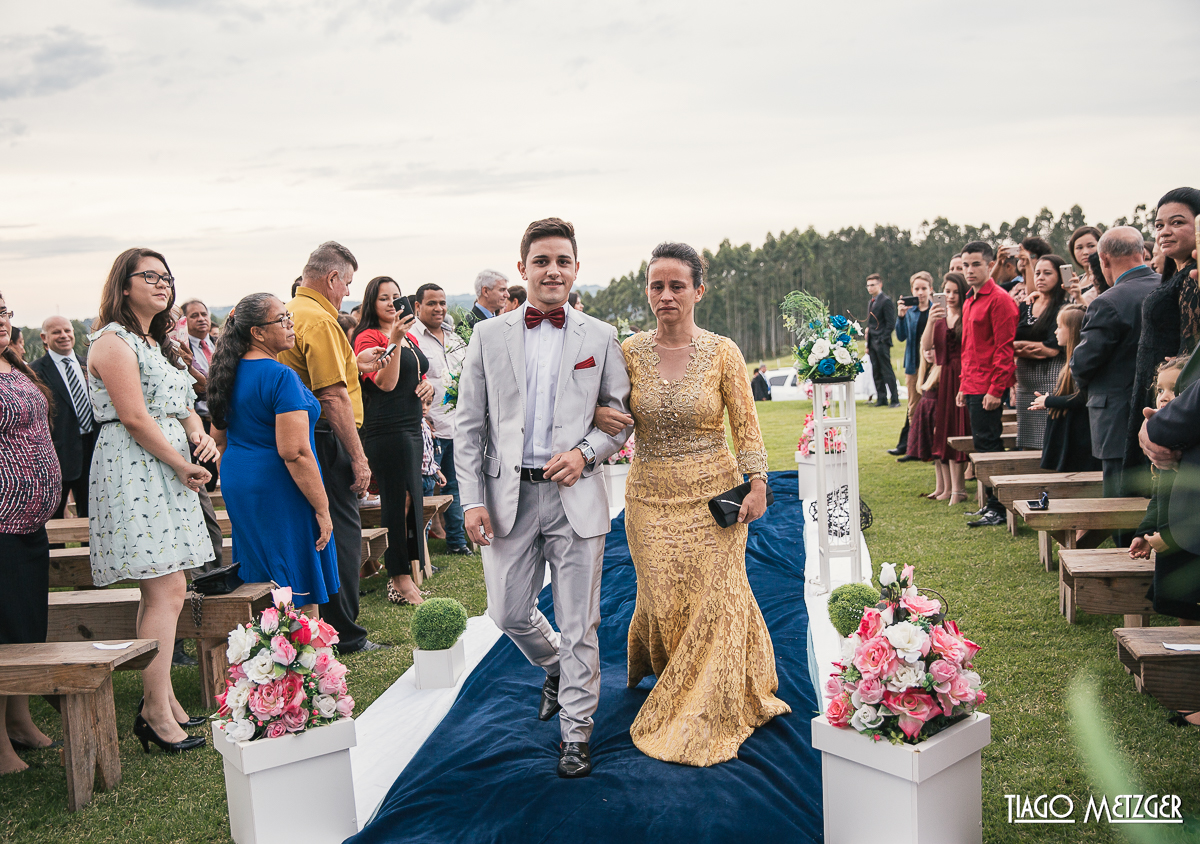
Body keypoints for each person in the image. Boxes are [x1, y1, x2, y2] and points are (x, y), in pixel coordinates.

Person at [589, 240, 791, 767]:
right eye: (657, 285)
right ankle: (677, 674)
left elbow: (745, 426)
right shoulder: (627, 352)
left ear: (699, 290)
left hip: (715, 501)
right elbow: (600, 406)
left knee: (717, 599)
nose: (666, 295)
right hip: (649, 501)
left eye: (677, 285)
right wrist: (598, 414)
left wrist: (759, 482)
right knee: (667, 600)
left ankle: (712, 700)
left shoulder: (723, 351)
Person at [454, 217, 632, 778]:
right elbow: (469, 426)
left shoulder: (600, 337)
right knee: (506, 610)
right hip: (507, 498)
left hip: (576, 495)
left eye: (562, 261)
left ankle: (575, 733)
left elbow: (619, 422)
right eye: (541, 261)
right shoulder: (487, 335)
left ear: (576, 269)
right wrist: (470, 500)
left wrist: (585, 452)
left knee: (580, 621)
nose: (552, 270)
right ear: (522, 268)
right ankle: (552, 665)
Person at [87, 248, 214, 753]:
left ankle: (163, 701)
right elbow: (136, 418)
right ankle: (156, 712)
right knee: (166, 591)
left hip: (164, 466)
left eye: (167, 277)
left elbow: (181, 403)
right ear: (123, 285)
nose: (163, 284)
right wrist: (182, 463)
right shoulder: (113, 342)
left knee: (169, 588)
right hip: (138, 468)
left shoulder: (152, 341)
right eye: (151, 276)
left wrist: (199, 433)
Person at [279, 241, 386, 654]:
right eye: (347, 285)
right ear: (332, 278)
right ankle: (345, 632)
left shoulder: (293, 313)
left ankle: (322, 626)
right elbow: (332, 396)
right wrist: (359, 458)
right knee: (341, 531)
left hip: (302, 435)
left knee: (317, 530)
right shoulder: (321, 322)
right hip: (325, 437)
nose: (347, 294)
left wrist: (355, 365)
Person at [206, 293, 338, 618]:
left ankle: (269, 653)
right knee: (295, 573)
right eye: (281, 319)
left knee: (262, 573)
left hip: (240, 479)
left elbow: (218, 439)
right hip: (279, 482)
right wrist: (322, 509)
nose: (290, 323)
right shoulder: (280, 376)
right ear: (258, 333)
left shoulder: (227, 372)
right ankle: (303, 659)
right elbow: (294, 452)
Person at [0, 293, 62, 775]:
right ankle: (0, 744)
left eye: (3, 311)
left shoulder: (13, 365)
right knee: (3, 631)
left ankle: (19, 719)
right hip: (1, 521)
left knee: (26, 626)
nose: (1, 320)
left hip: (32, 519)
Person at [1071, 226, 1161, 535]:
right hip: (1164, 410)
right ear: (1142, 252)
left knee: (1120, 499)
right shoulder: (1166, 288)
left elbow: (1083, 363)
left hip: (1115, 415)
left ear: (1104, 259)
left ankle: (1124, 559)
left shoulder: (1108, 302)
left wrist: (1084, 385)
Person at [352, 276, 434, 606]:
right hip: (387, 430)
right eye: (383, 297)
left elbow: (418, 373)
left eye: (396, 296)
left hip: (412, 426)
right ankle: (397, 579)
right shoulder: (366, 337)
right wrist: (395, 341)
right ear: (371, 303)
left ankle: (408, 574)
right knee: (396, 502)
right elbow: (385, 383)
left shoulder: (409, 336)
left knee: (412, 500)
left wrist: (427, 388)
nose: (391, 303)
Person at [1125, 189, 1200, 493]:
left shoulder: (1191, 281)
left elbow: (1192, 349)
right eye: (1158, 225)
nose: (1164, 232)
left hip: (1178, 395)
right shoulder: (1175, 277)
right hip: (1155, 387)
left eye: (1177, 222)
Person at [1136, 354, 1200, 639]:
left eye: (1175, 390)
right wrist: (1146, 530)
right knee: (1182, 608)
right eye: (1160, 390)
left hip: (1186, 545)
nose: (1164, 397)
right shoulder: (1169, 447)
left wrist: (1169, 539)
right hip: (1167, 541)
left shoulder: (1189, 450)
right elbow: (1158, 497)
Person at [956, 242, 1018, 526]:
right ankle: (992, 503)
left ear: (991, 264)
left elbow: (1005, 349)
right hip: (972, 383)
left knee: (990, 446)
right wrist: (962, 385)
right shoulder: (970, 299)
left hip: (988, 386)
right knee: (982, 446)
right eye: (965, 264)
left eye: (976, 264)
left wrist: (996, 389)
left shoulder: (1000, 299)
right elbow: (969, 348)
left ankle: (1000, 507)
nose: (969, 270)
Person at [411, 283, 470, 555]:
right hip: (430, 427)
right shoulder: (411, 339)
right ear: (418, 307)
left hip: (458, 426)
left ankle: (457, 542)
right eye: (432, 303)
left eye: (442, 303)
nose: (439, 308)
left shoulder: (456, 338)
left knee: (457, 486)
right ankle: (419, 551)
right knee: (426, 491)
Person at [31, 316, 97, 521]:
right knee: (55, 517)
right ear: (44, 337)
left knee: (93, 515)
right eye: (56, 332)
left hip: (92, 450)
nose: (64, 336)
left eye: (67, 331)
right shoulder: (34, 372)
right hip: (57, 454)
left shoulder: (89, 364)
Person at [923, 272, 972, 503]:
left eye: (955, 291)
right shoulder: (940, 317)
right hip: (945, 378)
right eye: (947, 291)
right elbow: (927, 346)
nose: (951, 296)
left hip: (963, 374)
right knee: (944, 430)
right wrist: (931, 320)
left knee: (959, 429)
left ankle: (958, 489)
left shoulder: (968, 314)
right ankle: (949, 488)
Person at [1033, 304, 1099, 473]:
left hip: (1077, 436)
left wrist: (1049, 400)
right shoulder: (1071, 360)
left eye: (1060, 326)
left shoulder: (1080, 362)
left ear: (1073, 330)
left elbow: (1080, 398)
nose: (1055, 331)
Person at [1013, 255, 1067, 451]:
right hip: (1025, 380)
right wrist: (1030, 348)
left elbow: (1051, 350)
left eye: (1047, 273)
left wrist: (1018, 347)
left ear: (1059, 276)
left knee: (1048, 435)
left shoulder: (1062, 307)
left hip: (1051, 377)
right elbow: (1009, 343)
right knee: (1026, 436)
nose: (1041, 277)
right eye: (1037, 273)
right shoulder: (1025, 305)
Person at [891, 271, 933, 459]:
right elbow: (900, 337)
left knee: (934, 406)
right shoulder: (910, 312)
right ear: (912, 290)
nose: (920, 292)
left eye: (924, 288)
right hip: (913, 365)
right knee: (913, 407)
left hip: (934, 365)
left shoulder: (936, 309)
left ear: (931, 289)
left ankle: (933, 448)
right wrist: (900, 317)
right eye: (917, 289)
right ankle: (914, 448)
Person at [865, 273, 898, 407]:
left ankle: (895, 399)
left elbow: (890, 323)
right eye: (868, 285)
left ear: (880, 285)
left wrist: (882, 340)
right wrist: (868, 343)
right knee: (876, 371)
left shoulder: (886, 301)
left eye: (872, 285)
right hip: (872, 342)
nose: (870, 288)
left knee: (887, 371)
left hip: (882, 342)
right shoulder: (871, 302)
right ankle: (881, 398)